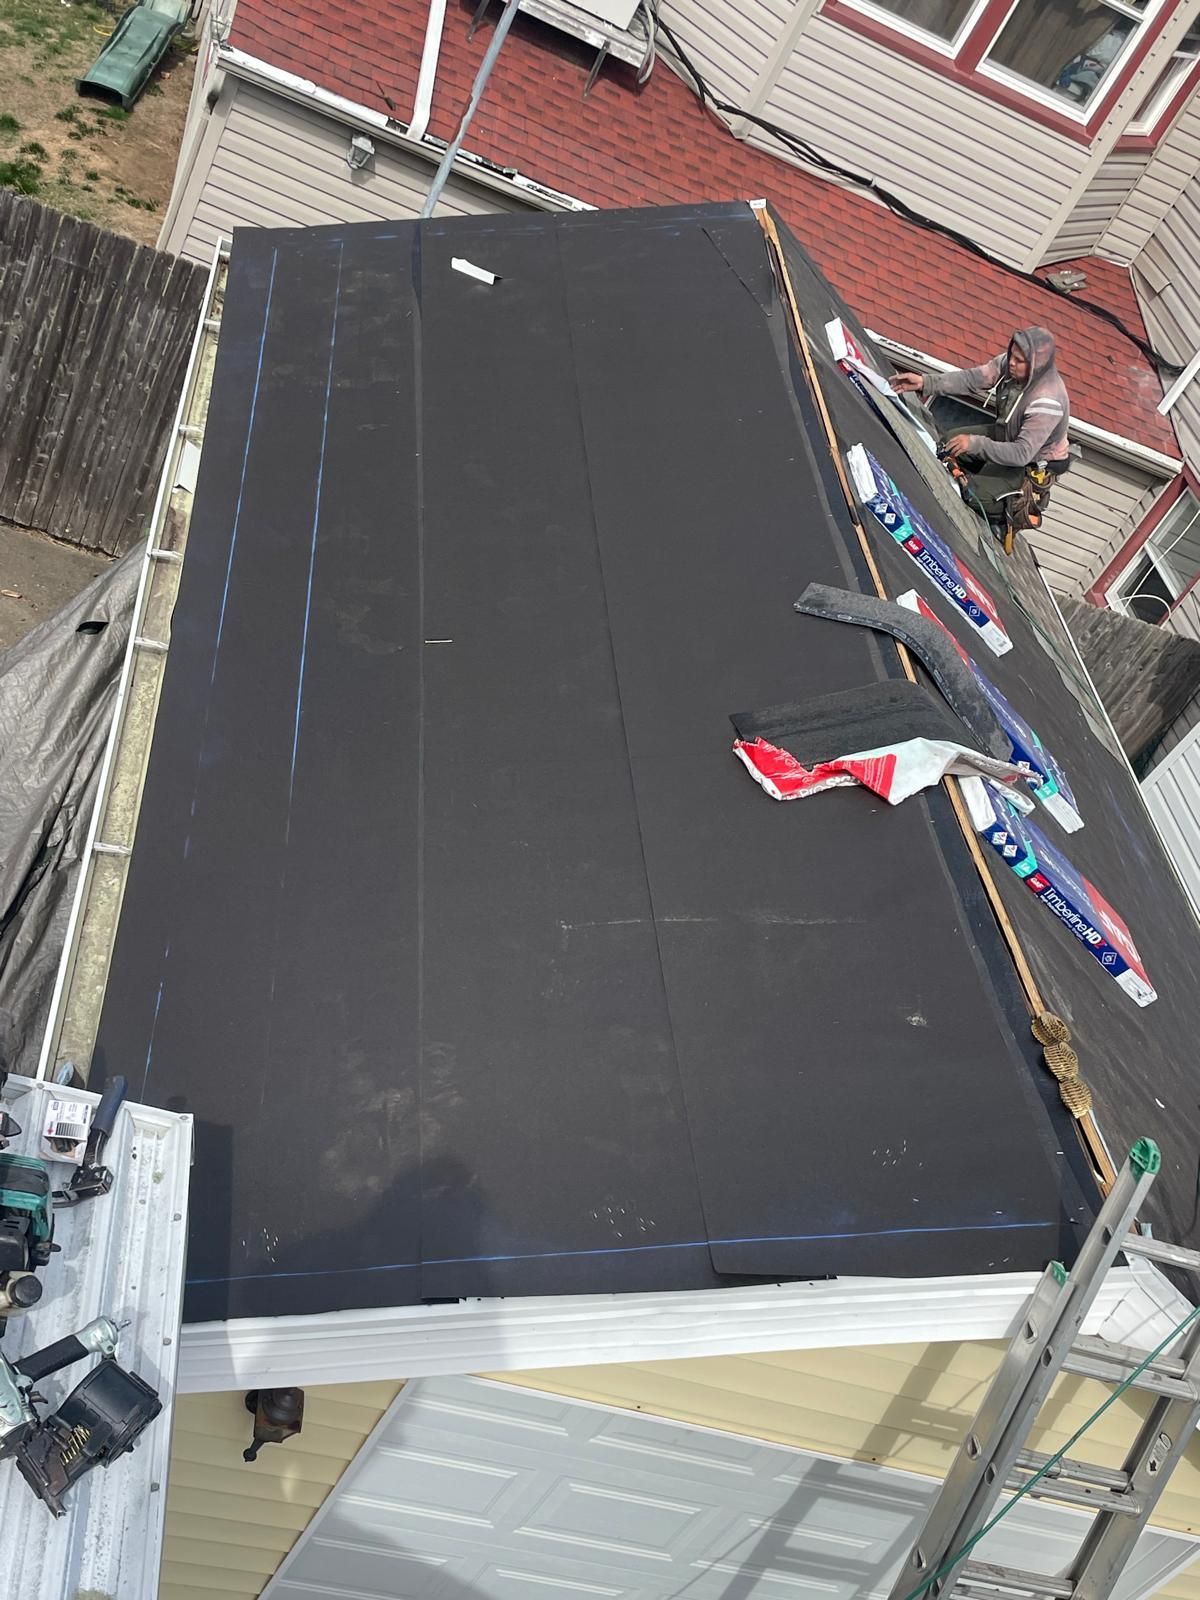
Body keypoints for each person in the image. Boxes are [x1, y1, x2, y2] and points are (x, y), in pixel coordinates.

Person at [890, 327, 1070, 530]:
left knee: (973, 493)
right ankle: (978, 471)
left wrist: (975, 444)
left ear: (1037, 365)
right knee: (950, 443)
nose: (1012, 362)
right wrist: (926, 382)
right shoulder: (1008, 364)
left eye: (1020, 361)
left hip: (1029, 463)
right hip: (1006, 434)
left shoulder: (1047, 401)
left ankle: (1001, 506)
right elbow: (972, 379)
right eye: (1013, 354)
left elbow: (1021, 453)